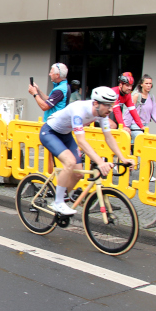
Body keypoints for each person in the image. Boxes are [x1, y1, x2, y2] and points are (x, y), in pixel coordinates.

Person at [38, 86, 137, 215]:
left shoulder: (102, 114)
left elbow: (109, 137)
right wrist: (100, 163)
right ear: (96, 103)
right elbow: (81, 142)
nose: (110, 109)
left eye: (112, 105)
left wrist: (123, 158)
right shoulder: (79, 110)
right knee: (70, 162)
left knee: (78, 173)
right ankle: (58, 203)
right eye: (107, 106)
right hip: (50, 132)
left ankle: (62, 196)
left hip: (66, 135)